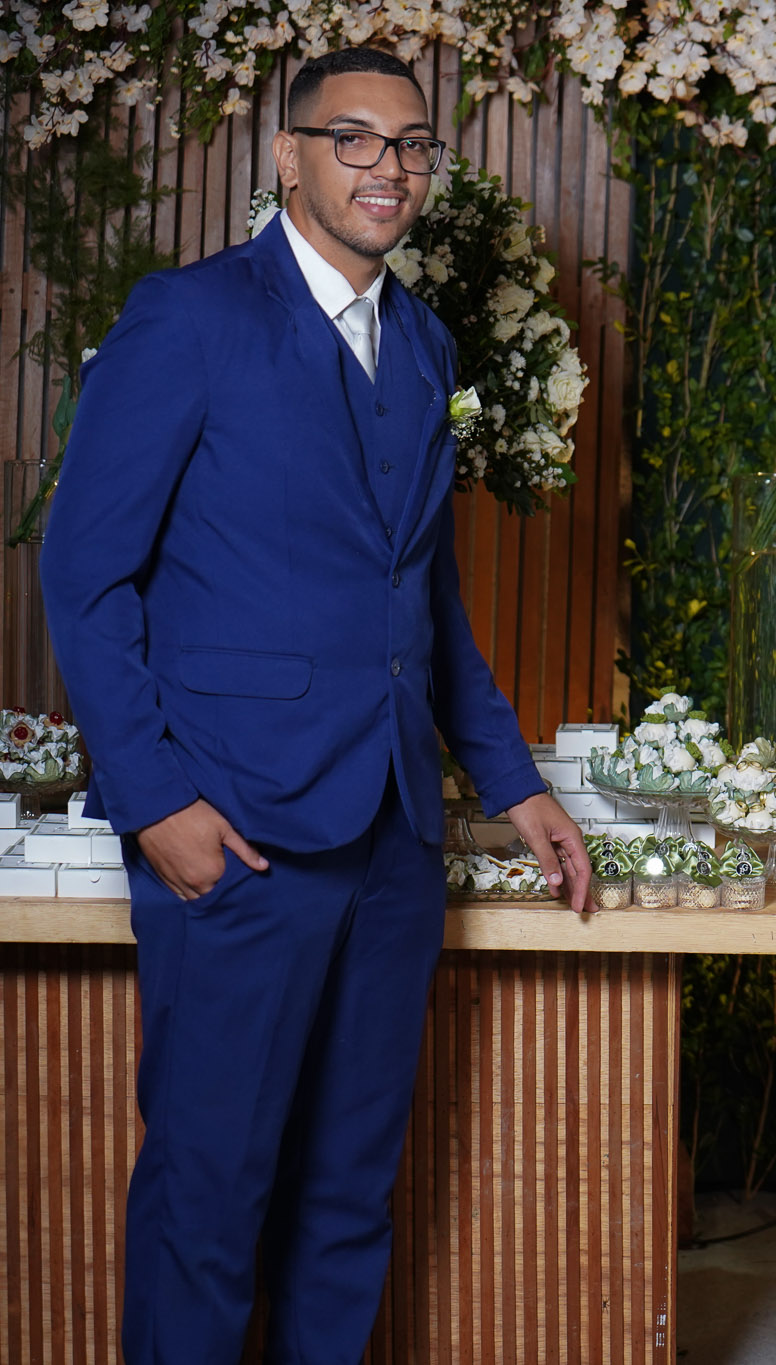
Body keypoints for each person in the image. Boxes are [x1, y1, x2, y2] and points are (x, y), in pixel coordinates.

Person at [39, 46, 593, 1363]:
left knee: (348, 1198)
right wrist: (155, 801)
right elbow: (82, 573)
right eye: (353, 138)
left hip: (392, 837)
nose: (386, 167)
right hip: (236, 833)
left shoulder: (426, 342)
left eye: (410, 145)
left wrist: (513, 781)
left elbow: (426, 600)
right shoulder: (188, 319)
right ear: (287, 157)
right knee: (211, 1197)